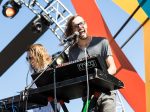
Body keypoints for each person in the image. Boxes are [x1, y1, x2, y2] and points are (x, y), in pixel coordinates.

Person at [65, 15, 117, 112]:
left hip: (106, 93)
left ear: (86, 25)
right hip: (88, 98)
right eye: (76, 26)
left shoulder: (102, 42)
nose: (80, 27)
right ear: (73, 31)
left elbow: (113, 67)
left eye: (82, 23)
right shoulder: (72, 51)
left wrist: (100, 79)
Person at [26, 44, 61, 112]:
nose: (29, 61)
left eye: (30, 58)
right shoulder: (35, 73)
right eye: (27, 58)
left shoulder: (49, 70)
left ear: (38, 56)